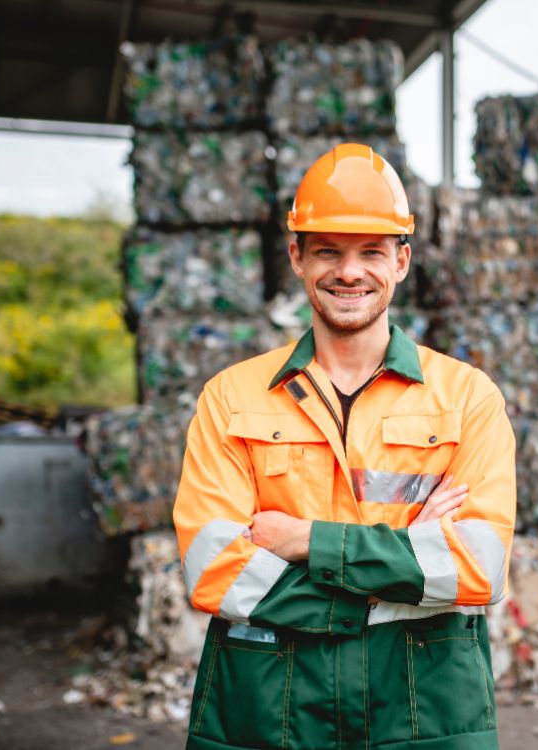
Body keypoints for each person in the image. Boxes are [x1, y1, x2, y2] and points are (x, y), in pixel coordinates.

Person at [172, 143, 516, 750]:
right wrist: (408, 558)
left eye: (371, 252)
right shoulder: (231, 398)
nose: (349, 272)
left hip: (423, 703)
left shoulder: (467, 399)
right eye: (328, 251)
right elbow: (215, 571)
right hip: (270, 703)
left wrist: (306, 541)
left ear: (402, 261)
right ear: (297, 256)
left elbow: (476, 568)